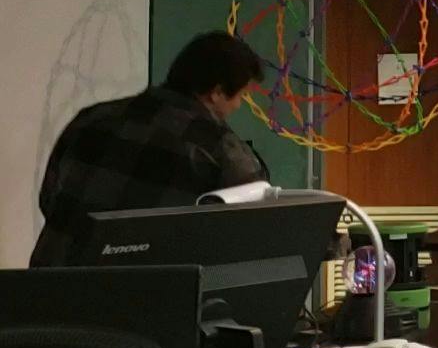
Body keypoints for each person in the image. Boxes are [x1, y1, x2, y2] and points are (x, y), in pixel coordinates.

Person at [33, 31, 270, 267]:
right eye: (242, 96)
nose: (239, 105)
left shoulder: (92, 118)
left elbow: (49, 199)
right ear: (217, 92)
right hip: (139, 295)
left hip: (45, 287)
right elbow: (254, 237)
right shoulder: (219, 148)